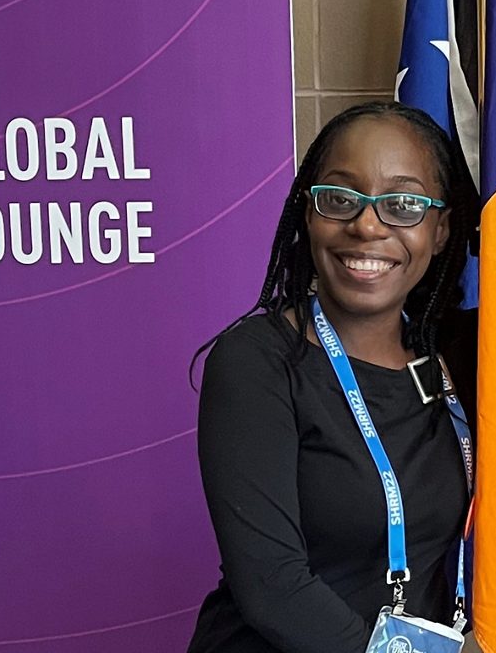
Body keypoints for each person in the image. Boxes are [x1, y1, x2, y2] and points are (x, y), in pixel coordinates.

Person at [187, 101, 479, 653]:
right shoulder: (257, 361)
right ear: (307, 214)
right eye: (340, 199)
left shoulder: (457, 357)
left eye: (403, 204)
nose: (367, 224)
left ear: (440, 231)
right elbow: (273, 586)